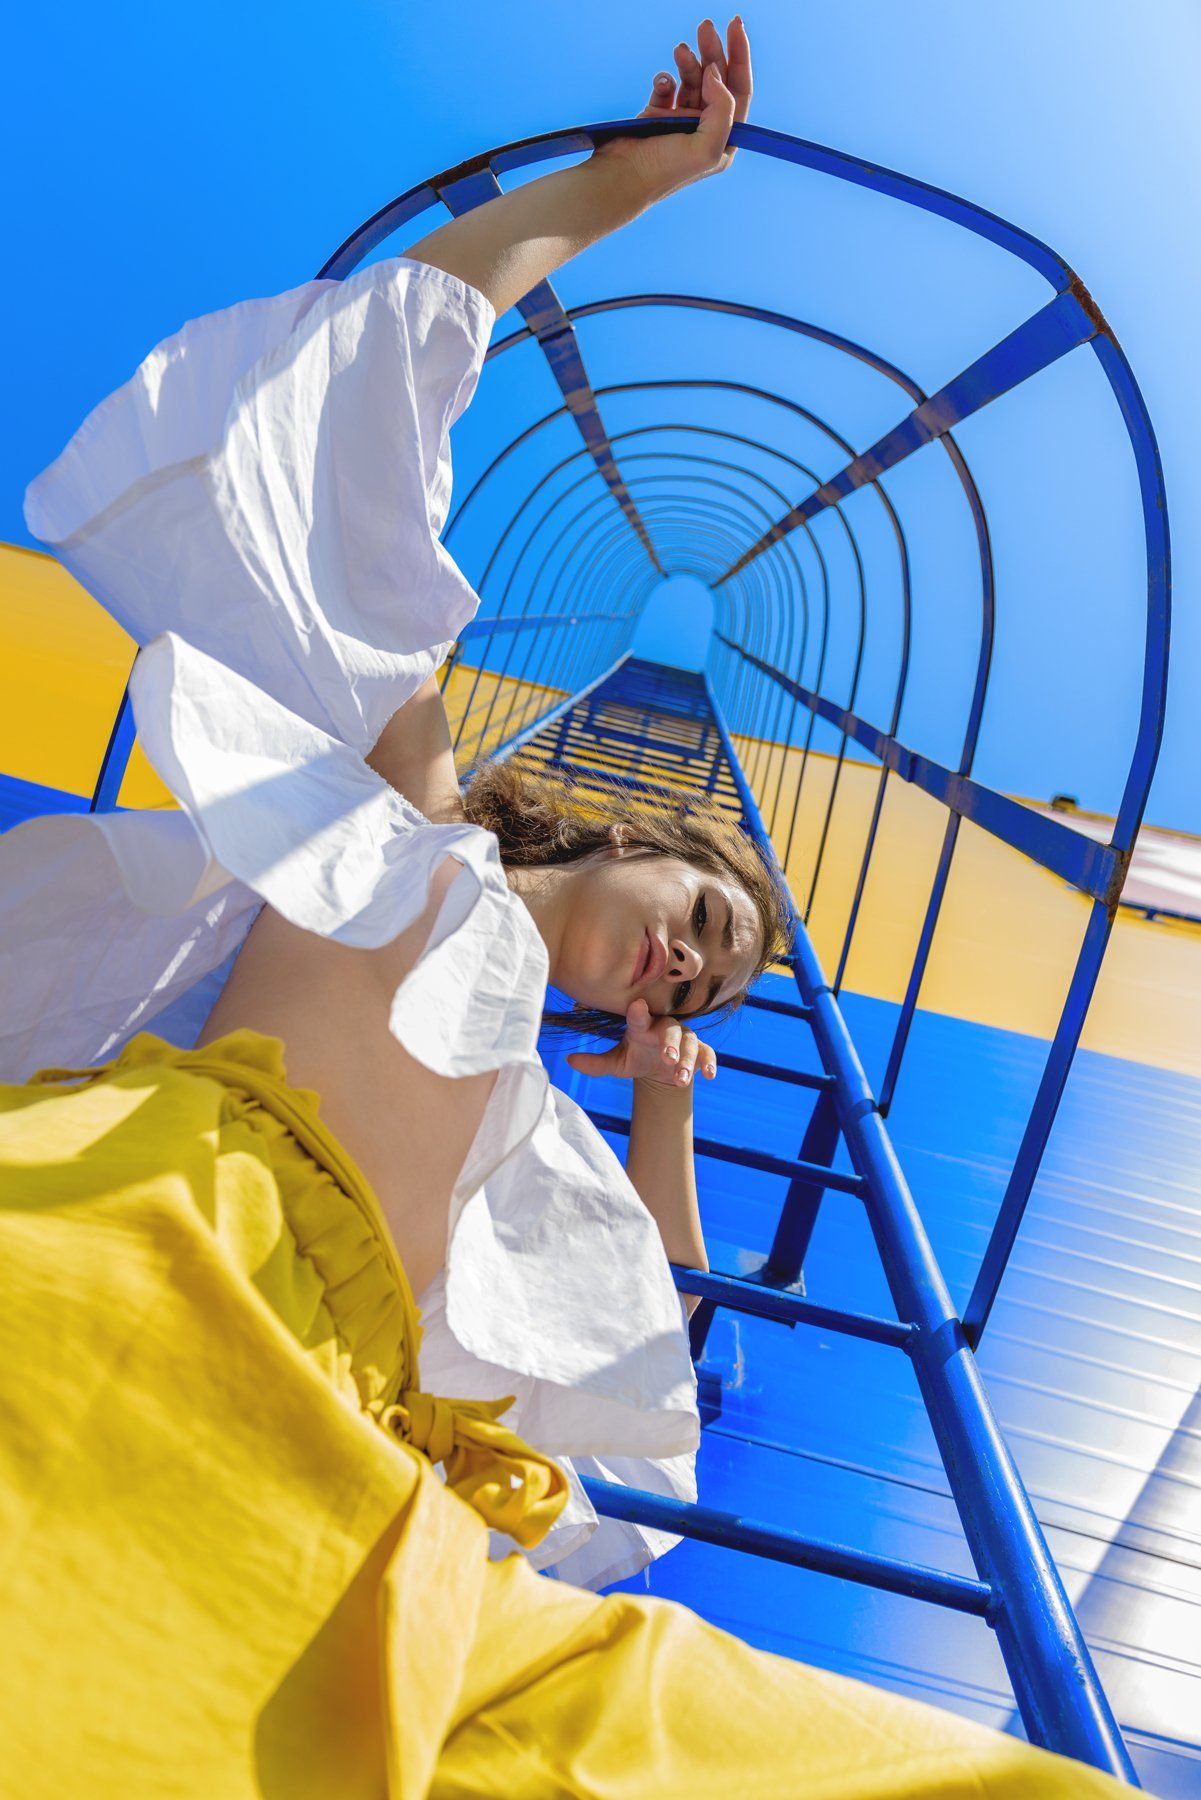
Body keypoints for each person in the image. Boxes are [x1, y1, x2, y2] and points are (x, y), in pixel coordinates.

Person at [0, 17, 1132, 1795]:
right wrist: (624, 185)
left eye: (711, 978)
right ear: (612, 834)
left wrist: (663, 1123)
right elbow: (369, 418)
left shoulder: (538, 1145)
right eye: (702, 907)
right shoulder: (404, 827)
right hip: (134, 1269)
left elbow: (645, 1344)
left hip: (386, 1523)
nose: (692, 955)